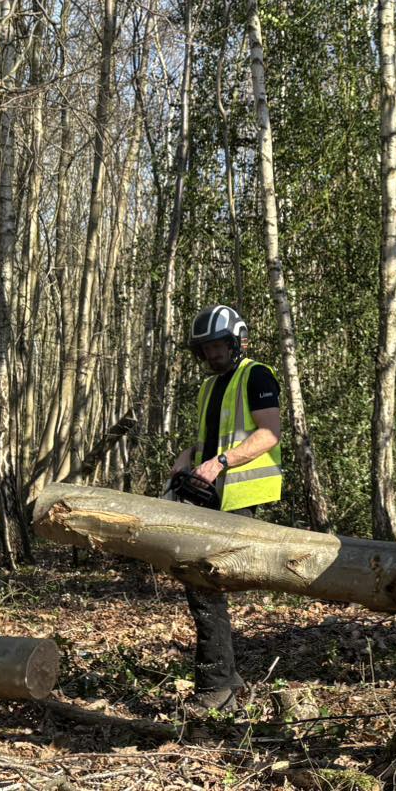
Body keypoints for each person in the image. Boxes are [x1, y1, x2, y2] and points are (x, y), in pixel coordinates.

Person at [170, 304, 284, 712]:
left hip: (240, 495)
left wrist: (220, 463)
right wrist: (188, 456)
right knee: (200, 584)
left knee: (205, 582)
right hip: (210, 496)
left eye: (219, 345)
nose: (213, 353)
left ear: (237, 342)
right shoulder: (208, 387)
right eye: (206, 348)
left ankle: (217, 688)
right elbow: (212, 439)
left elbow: (269, 434)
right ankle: (224, 681)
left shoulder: (257, 375)